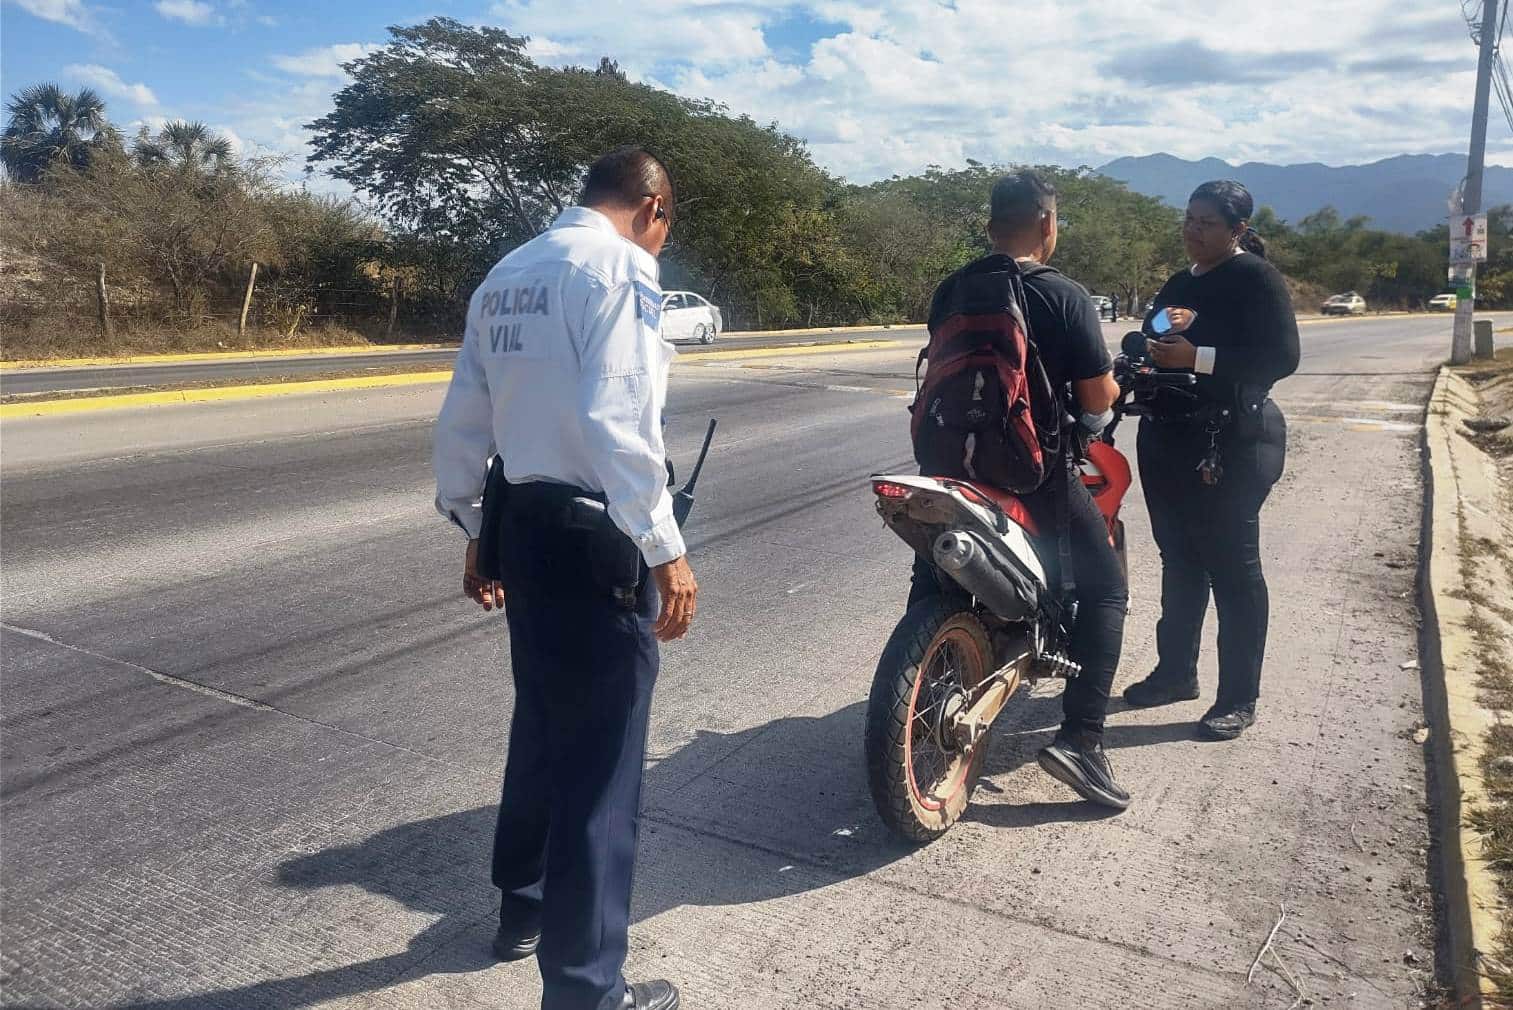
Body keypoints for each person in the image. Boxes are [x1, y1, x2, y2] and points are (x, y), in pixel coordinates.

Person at [432, 147, 695, 1010]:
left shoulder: (508, 271)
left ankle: (523, 905)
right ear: (650, 207)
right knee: (602, 765)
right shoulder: (620, 268)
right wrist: (665, 546)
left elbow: (466, 411)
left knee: (544, 718)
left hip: (526, 525)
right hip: (597, 535)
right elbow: (620, 415)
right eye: (667, 223)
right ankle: (586, 991)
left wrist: (476, 526)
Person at [910, 169, 1131, 810]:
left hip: (951, 464)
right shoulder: (1063, 295)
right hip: (1032, 471)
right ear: (1047, 225)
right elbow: (1095, 399)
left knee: (931, 577)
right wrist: (1115, 388)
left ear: (988, 226)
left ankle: (916, 695)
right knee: (1106, 587)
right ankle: (1082, 741)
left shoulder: (953, 288)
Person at [1121, 180, 1299, 740]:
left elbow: (1281, 357)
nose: (1192, 230)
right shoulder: (1180, 283)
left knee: (1233, 568)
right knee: (1179, 559)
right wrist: (1151, 335)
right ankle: (1176, 673)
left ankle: (1238, 697)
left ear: (1237, 230)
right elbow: (1145, 338)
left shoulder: (1255, 279)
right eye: (1189, 218)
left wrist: (1198, 355)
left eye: (1206, 222)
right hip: (1169, 439)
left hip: (1233, 443)